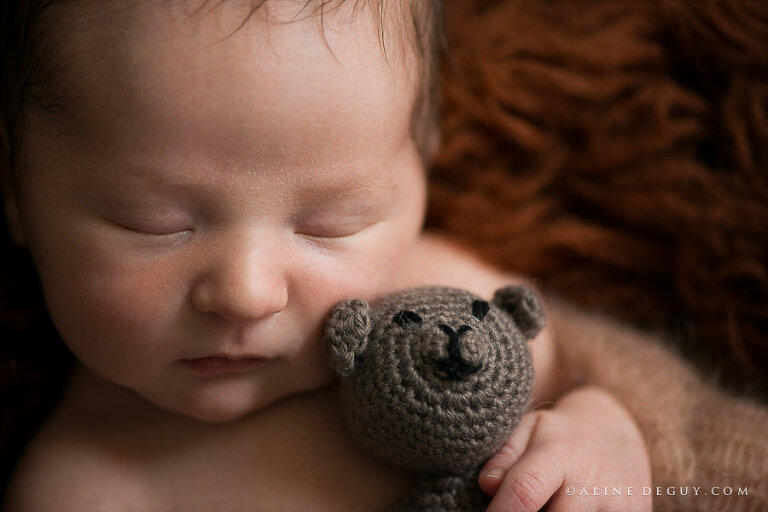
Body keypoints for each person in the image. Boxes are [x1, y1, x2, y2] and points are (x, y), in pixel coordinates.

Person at [0, 1, 660, 510]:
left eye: (329, 224)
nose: (247, 292)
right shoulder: (87, 490)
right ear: (17, 189)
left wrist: (608, 432)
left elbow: (597, 373)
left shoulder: (453, 309)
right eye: (155, 223)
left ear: (420, 175)